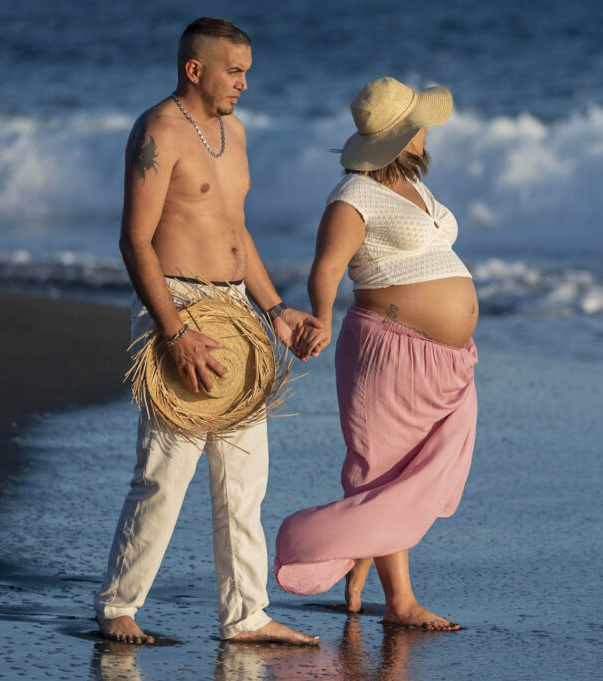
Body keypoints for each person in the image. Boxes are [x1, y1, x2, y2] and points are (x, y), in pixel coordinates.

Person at [93, 17, 321, 645]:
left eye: (247, 70)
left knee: (245, 476)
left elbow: (234, 229)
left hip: (237, 308)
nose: (245, 83)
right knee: (167, 470)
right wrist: (172, 332)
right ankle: (119, 606)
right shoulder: (159, 132)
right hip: (178, 307)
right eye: (235, 70)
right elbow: (134, 239)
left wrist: (277, 309)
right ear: (195, 69)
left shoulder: (235, 133)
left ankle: (246, 615)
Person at [274, 77, 479, 631]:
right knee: (385, 473)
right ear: (403, 135)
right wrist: (320, 316)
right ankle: (400, 603)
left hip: (447, 363)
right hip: (388, 352)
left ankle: (364, 555)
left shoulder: (417, 189)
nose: (428, 132)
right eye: (420, 125)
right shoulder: (353, 195)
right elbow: (328, 267)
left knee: (428, 469)